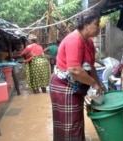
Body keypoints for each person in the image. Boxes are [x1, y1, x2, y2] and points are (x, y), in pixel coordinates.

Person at [49, 10, 103, 141]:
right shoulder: (75, 39)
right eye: (97, 24)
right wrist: (94, 84)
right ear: (85, 24)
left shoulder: (89, 42)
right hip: (63, 87)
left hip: (74, 84)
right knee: (69, 124)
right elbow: (75, 70)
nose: (99, 27)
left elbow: (90, 67)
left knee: (76, 120)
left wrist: (99, 84)